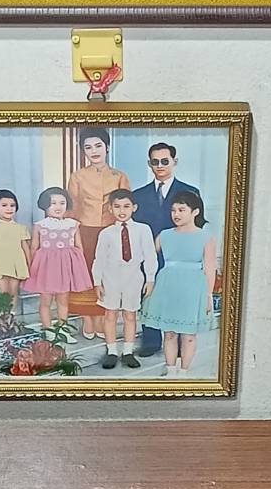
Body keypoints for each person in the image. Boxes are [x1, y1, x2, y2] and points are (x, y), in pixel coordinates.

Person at [130, 142, 201, 356]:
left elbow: (197, 226)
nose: (159, 165)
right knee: (149, 296)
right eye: (155, 162)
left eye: (164, 161)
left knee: (177, 298)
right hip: (148, 255)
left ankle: (178, 342)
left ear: (174, 161)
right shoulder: (138, 195)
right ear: (149, 164)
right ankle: (151, 342)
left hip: (178, 256)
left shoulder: (189, 192)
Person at [139, 190, 216, 378]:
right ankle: (171, 371)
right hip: (168, 286)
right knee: (170, 333)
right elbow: (147, 258)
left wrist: (208, 295)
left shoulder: (206, 237)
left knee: (189, 335)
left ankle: (183, 373)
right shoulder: (164, 235)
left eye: (182, 210)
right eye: (173, 210)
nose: (176, 214)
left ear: (195, 212)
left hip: (193, 288)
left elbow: (210, 268)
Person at [65, 128, 131, 345]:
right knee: (84, 275)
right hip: (84, 231)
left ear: (107, 147)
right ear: (83, 151)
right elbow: (71, 207)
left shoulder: (120, 176)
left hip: (111, 231)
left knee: (108, 275)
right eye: (88, 147)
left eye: (98, 145)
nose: (94, 151)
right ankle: (87, 319)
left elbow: (126, 205)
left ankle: (103, 318)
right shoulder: (77, 176)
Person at [91, 189, 157, 369]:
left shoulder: (143, 229)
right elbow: (99, 258)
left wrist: (150, 278)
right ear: (110, 209)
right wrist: (97, 281)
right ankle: (112, 351)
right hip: (111, 276)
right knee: (110, 314)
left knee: (130, 314)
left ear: (134, 207)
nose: (122, 211)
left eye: (126, 206)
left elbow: (150, 255)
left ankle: (128, 352)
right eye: (117, 206)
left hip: (133, 276)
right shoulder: (106, 233)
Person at [20, 187, 91, 331]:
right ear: (45, 205)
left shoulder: (73, 224)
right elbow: (34, 247)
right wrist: (33, 267)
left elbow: (79, 247)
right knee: (46, 300)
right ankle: (47, 329)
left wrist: (77, 267)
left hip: (65, 267)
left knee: (63, 300)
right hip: (47, 267)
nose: (58, 207)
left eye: (62, 203)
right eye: (53, 203)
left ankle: (62, 329)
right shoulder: (40, 225)